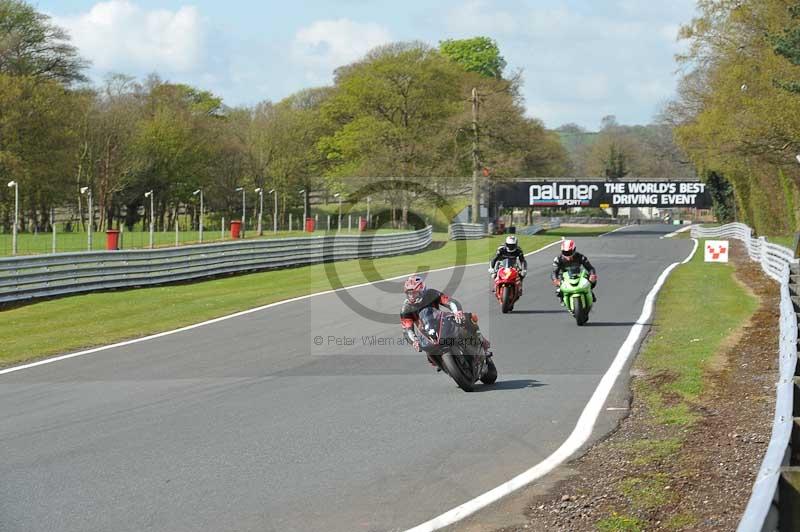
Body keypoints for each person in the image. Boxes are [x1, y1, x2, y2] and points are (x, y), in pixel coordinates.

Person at [400, 276, 491, 367]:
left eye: (414, 293)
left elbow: (449, 301)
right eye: (409, 294)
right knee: (430, 358)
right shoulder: (406, 308)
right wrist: (414, 341)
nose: (412, 296)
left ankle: (483, 344)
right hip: (426, 332)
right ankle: (444, 365)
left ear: (422, 290)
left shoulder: (431, 293)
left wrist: (457, 312)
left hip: (441, 320)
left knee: (467, 319)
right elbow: (407, 329)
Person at [551, 239, 598, 304]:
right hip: (564, 276)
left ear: (574, 249)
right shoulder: (558, 259)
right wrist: (555, 280)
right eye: (565, 252)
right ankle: (561, 295)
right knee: (559, 288)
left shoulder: (581, 257)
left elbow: (590, 268)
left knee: (593, 280)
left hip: (578, 274)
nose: (567, 255)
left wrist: (592, 275)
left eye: (569, 252)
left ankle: (590, 291)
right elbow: (554, 272)